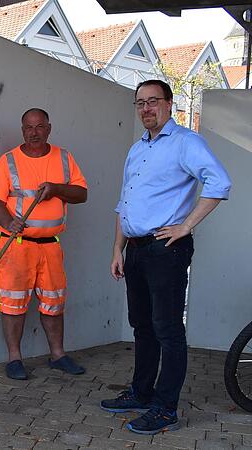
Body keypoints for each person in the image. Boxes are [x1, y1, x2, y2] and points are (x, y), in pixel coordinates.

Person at [101, 79, 231, 435]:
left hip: (166, 250)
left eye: (153, 101)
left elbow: (219, 182)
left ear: (169, 104)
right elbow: (124, 202)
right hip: (137, 250)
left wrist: (186, 225)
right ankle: (141, 392)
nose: (146, 108)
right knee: (142, 326)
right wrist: (118, 248)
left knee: (168, 330)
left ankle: (165, 408)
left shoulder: (186, 143)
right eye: (140, 103)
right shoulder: (137, 149)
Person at [0, 108, 88, 381]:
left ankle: (58, 355)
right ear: (22, 130)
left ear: (49, 128)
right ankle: (15, 359)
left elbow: (81, 194)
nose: (34, 132)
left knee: (54, 303)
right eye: (29, 127)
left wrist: (56, 189)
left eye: (39, 127)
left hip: (50, 245)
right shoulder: (7, 162)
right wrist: (9, 222)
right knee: (13, 305)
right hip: (16, 244)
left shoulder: (64, 158)